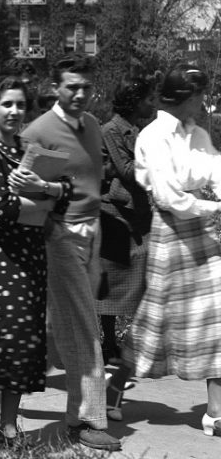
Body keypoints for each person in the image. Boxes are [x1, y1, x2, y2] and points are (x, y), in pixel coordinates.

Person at [0, 77, 71, 446]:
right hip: (3, 256)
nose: (14, 111)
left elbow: (66, 192)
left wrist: (45, 188)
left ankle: (6, 427)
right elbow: (0, 210)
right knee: (11, 336)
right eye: (7, 104)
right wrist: (45, 202)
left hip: (33, 253)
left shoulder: (28, 148)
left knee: (28, 343)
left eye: (20, 105)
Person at [109, 66, 221, 437]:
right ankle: (112, 388)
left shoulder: (198, 134)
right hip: (170, 231)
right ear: (183, 97)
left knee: (217, 315)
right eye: (199, 95)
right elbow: (169, 196)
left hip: (200, 233)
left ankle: (215, 411)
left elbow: (214, 170)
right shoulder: (153, 136)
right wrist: (213, 208)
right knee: (154, 321)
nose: (204, 102)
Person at [20, 55, 121, 452]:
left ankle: (24, 369)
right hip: (59, 234)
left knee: (63, 319)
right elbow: (23, 192)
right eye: (72, 87)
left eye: (86, 87)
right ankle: (86, 420)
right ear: (55, 88)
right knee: (84, 327)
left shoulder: (93, 125)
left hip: (91, 230)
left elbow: (98, 177)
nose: (80, 94)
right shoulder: (38, 131)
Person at [97, 77, 155, 369]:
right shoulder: (112, 129)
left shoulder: (137, 130)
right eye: (147, 99)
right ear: (134, 101)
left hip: (138, 215)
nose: (152, 104)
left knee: (141, 278)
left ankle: (130, 342)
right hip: (116, 216)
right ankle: (108, 342)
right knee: (111, 280)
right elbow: (127, 170)